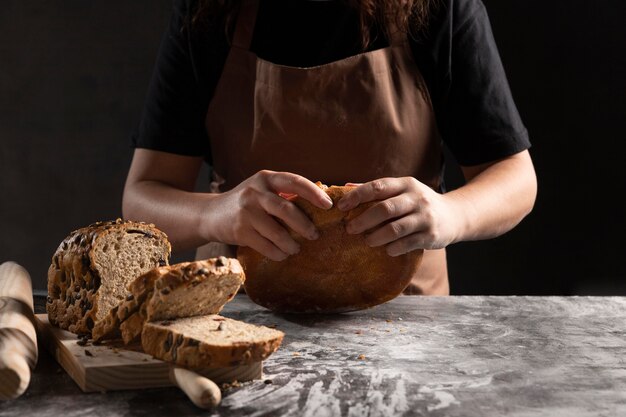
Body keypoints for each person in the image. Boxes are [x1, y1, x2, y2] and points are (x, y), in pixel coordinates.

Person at [123, 0, 537, 295]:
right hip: (243, 314)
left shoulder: (438, 8)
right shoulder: (209, 13)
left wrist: (453, 213)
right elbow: (142, 198)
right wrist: (217, 213)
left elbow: (517, 178)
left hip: (407, 317)